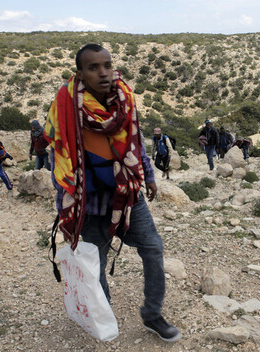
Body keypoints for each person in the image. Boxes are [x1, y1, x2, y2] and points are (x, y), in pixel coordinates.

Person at [45, 43, 181, 343]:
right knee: (96, 264)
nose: (103, 72)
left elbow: (134, 139)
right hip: (90, 203)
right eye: (93, 67)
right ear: (80, 73)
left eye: (107, 65)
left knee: (154, 249)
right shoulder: (66, 108)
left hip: (128, 196)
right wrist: (67, 202)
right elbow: (60, 157)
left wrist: (147, 174)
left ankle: (152, 314)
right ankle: (103, 316)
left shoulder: (124, 100)